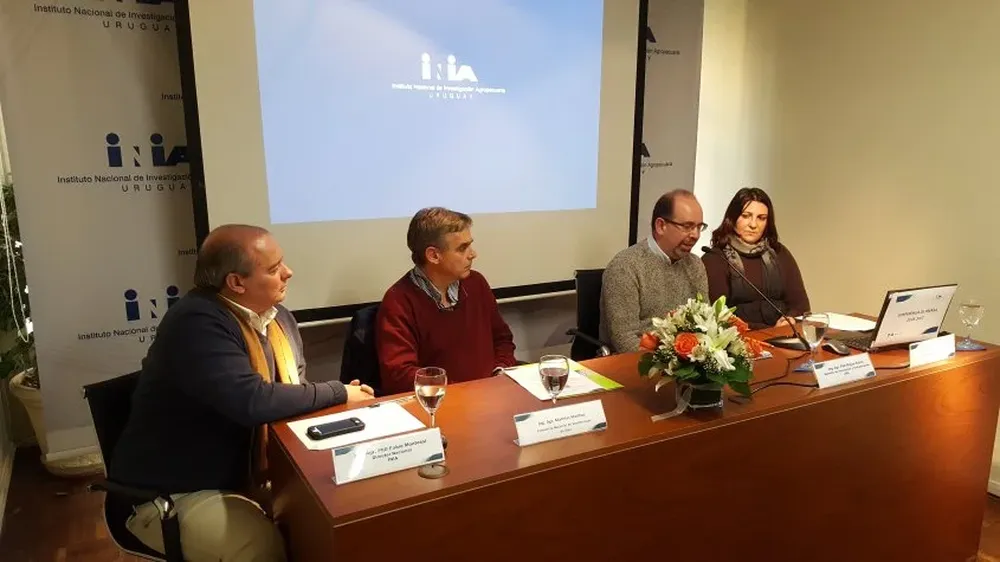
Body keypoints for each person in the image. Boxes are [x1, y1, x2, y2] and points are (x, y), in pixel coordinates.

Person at [109, 224, 374, 562]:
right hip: (174, 492)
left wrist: (337, 405)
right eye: (275, 269)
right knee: (260, 548)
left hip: (244, 477)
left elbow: (289, 398)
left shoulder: (279, 321)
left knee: (336, 517)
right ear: (236, 282)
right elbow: (252, 400)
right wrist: (338, 393)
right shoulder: (195, 323)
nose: (288, 273)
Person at [376, 207, 517, 395]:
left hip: (489, 396)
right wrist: (458, 391)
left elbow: (502, 339)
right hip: (440, 406)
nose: (473, 254)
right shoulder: (399, 301)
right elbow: (400, 374)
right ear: (434, 255)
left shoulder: (476, 284)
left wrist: (500, 371)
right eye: (462, 248)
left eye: (470, 245)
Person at [600, 189, 709, 352]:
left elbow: (706, 323)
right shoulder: (625, 267)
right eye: (687, 226)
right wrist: (667, 364)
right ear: (661, 226)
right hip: (640, 364)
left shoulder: (695, 265)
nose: (695, 235)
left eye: (699, 227)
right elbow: (625, 340)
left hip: (689, 363)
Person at [702, 187, 810, 329]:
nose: (753, 225)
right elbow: (716, 316)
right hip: (738, 340)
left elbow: (801, 305)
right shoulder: (715, 258)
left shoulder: (779, 253)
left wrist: (789, 321)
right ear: (733, 218)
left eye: (761, 218)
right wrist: (767, 330)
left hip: (783, 334)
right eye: (746, 216)